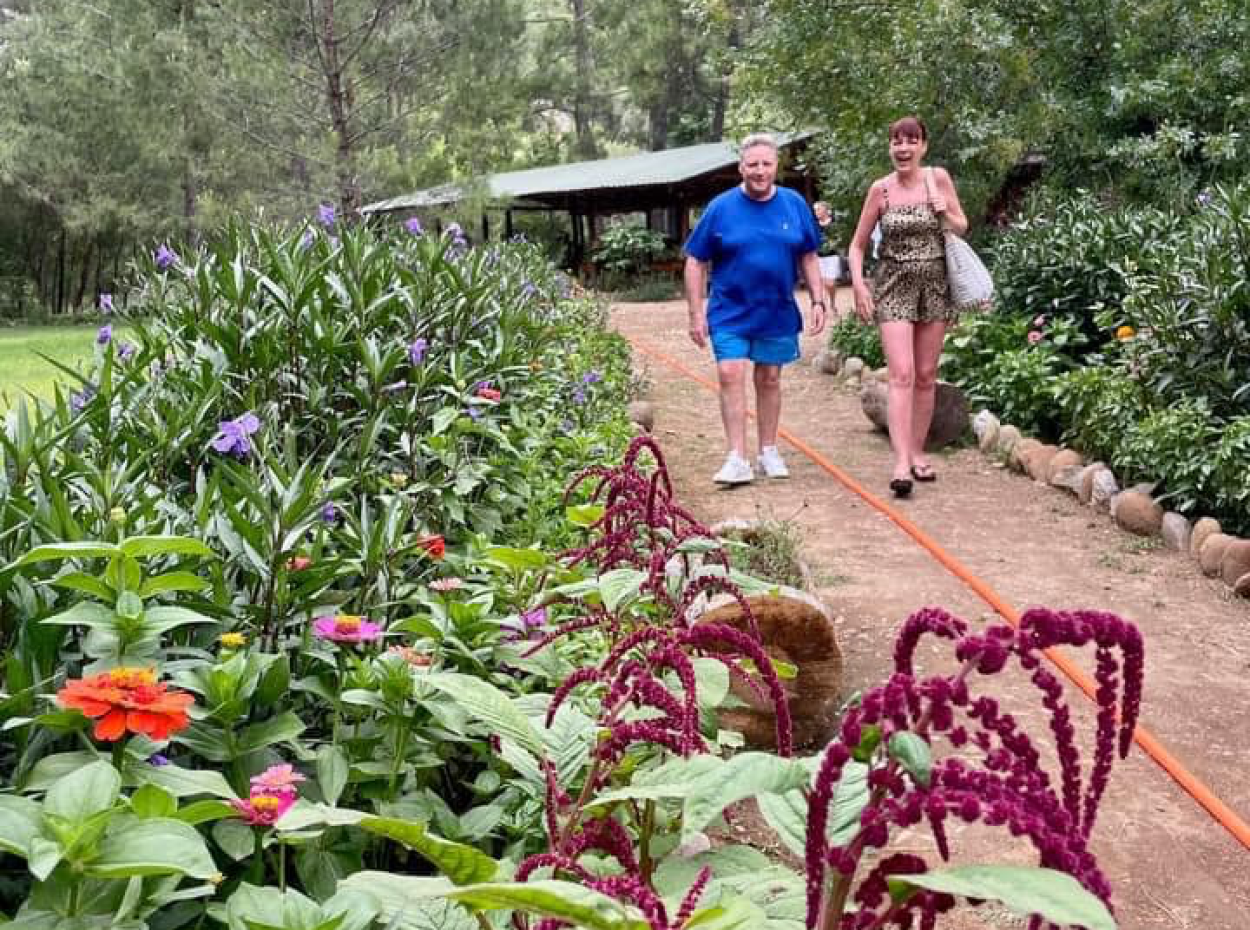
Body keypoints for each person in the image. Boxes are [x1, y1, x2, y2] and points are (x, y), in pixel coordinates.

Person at [684, 133, 828, 485]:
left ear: (776, 166)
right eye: (753, 165)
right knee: (730, 373)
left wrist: (818, 299)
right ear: (741, 168)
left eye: (766, 164)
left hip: (776, 309)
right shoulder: (720, 208)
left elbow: (808, 255)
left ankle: (768, 450)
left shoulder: (794, 204)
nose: (760, 171)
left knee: (769, 378)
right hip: (729, 309)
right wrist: (695, 313)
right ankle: (736, 456)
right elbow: (695, 261)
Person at [848, 115, 968, 498]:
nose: (903, 148)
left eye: (911, 141)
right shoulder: (880, 191)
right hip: (894, 285)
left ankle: (917, 451)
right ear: (890, 148)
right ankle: (900, 462)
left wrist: (942, 210)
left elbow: (961, 226)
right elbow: (857, 245)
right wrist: (858, 285)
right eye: (897, 141)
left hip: (935, 284)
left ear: (923, 146)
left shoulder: (939, 179)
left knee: (927, 373)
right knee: (901, 373)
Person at [812, 200, 842, 296]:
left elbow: (839, 237)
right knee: (823, 282)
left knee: (831, 283)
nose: (816, 212)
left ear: (825, 210)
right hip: (819, 257)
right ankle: (826, 306)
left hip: (832, 256)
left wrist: (834, 243)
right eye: (815, 210)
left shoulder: (834, 223)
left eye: (818, 209)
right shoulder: (814, 225)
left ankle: (832, 301)